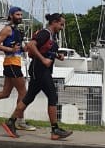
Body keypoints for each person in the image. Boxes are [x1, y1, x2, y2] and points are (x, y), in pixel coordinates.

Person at [6, 12, 72, 140]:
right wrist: (43, 60)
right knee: (52, 96)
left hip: (40, 70)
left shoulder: (51, 36)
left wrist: (57, 55)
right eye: (61, 24)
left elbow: (46, 50)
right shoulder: (45, 33)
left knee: (28, 98)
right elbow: (31, 45)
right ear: (54, 22)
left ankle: (11, 122)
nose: (62, 27)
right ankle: (55, 130)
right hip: (40, 70)